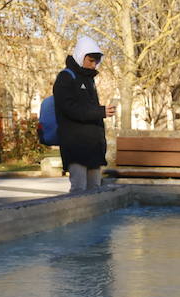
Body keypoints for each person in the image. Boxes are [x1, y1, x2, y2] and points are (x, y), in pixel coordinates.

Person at [54, 37, 118, 193]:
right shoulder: (66, 77)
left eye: (96, 61)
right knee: (79, 189)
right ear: (80, 56)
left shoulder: (89, 80)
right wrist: (100, 112)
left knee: (95, 189)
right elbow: (70, 109)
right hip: (75, 145)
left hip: (93, 146)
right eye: (90, 60)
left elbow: (87, 109)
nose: (93, 64)